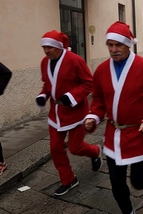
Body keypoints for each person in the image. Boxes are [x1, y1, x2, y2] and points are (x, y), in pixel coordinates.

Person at [84, 21, 143, 214]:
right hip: (113, 135)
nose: (113, 50)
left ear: (128, 44)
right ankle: (128, 211)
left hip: (139, 134)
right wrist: (93, 116)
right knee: (116, 182)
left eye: (118, 45)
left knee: (138, 181)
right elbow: (98, 100)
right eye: (110, 45)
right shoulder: (101, 70)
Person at [36, 30, 102, 196]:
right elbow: (48, 84)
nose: (46, 50)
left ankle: (95, 152)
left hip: (76, 113)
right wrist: (43, 96)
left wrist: (71, 96)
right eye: (44, 47)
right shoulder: (44, 62)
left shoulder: (75, 60)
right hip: (55, 114)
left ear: (58, 46)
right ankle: (69, 179)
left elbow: (89, 83)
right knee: (55, 148)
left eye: (50, 47)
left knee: (75, 147)